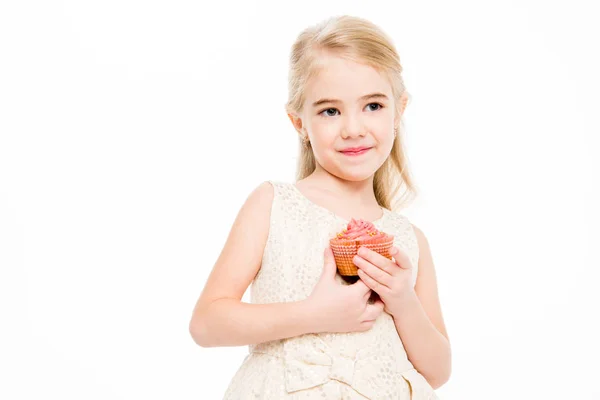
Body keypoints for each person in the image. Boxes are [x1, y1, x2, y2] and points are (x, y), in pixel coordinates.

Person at [189, 14, 451, 399]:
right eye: (330, 111)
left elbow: (439, 370)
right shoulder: (273, 205)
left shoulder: (410, 241)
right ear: (299, 123)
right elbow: (207, 324)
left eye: (373, 106)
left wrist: (403, 301)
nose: (354, 128)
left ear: (399, 110)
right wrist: (315, 314)